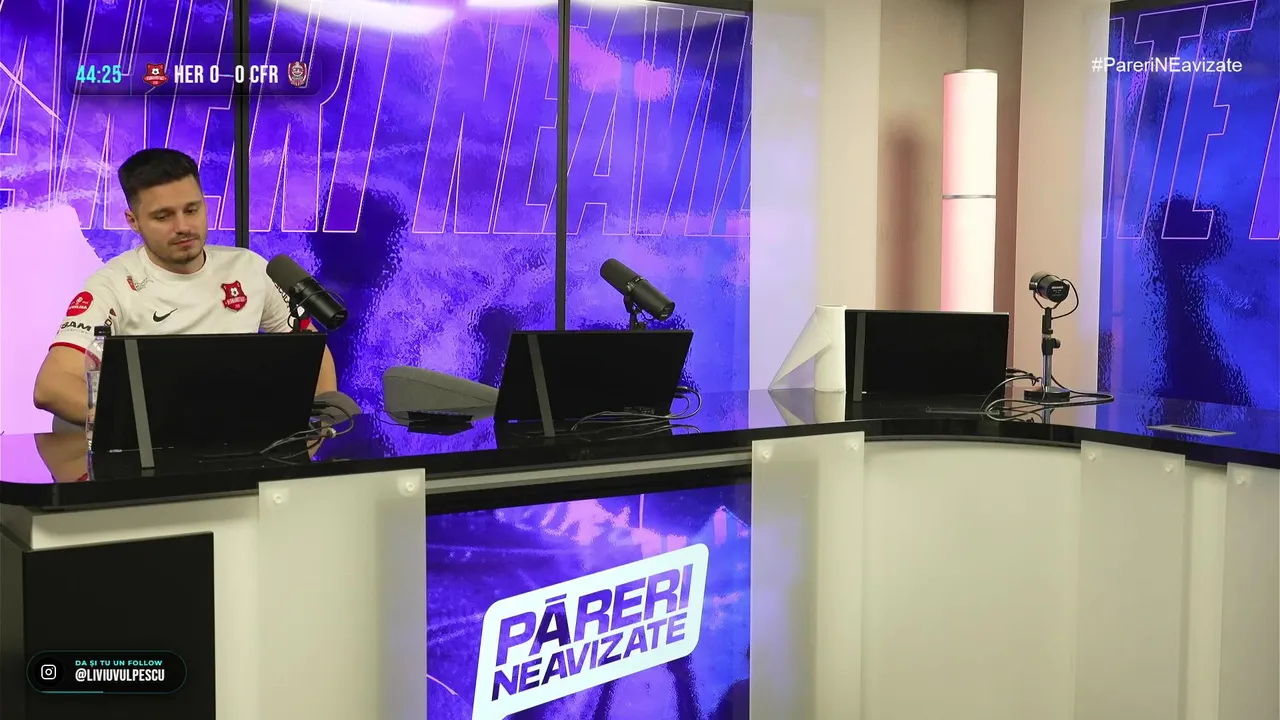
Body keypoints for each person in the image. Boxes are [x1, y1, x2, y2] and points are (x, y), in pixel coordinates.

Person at [32, 148, 338, 426]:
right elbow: (52, 386)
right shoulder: (112, 285)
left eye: (192, 210)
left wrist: (322, 428)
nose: (183, 227)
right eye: (163, 216)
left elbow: (311, 351)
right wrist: (145, 425)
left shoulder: (249, 268)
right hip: (152, 451)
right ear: (133, 221)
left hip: (240, 440)